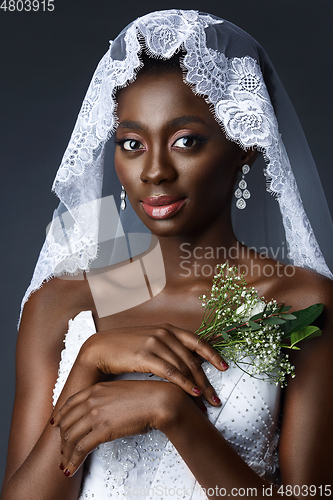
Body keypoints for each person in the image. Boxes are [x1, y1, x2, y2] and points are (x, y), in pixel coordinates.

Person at [1, 9, 333, 500]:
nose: (154, 171)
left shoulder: (302, 301)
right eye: (131, 143)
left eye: (185, 141)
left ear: (246, 145)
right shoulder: (65, 304)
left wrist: (173, 412)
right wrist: (90, 361)